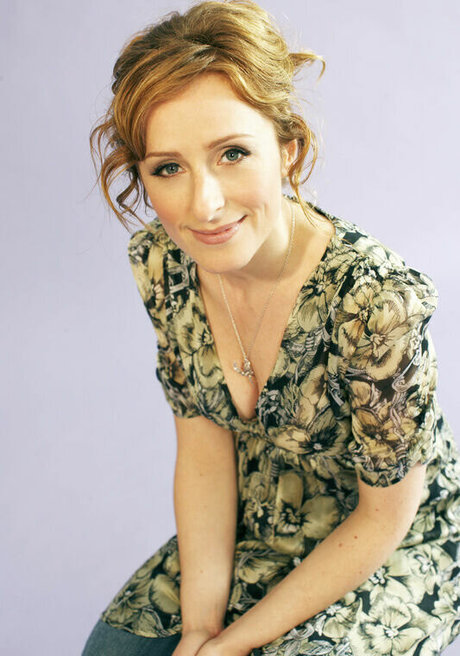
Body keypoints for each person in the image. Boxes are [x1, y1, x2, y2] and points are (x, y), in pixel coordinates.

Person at [84, 1, 460, 654]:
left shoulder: (375, 300)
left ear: (287, 150)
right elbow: (204, 457)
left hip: (393, 542)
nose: (204, 205)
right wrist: (200, 629)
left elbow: (386, 517)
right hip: (261, 519)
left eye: (232, 153)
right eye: (168, 167)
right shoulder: (165, 265)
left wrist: (232, 645)